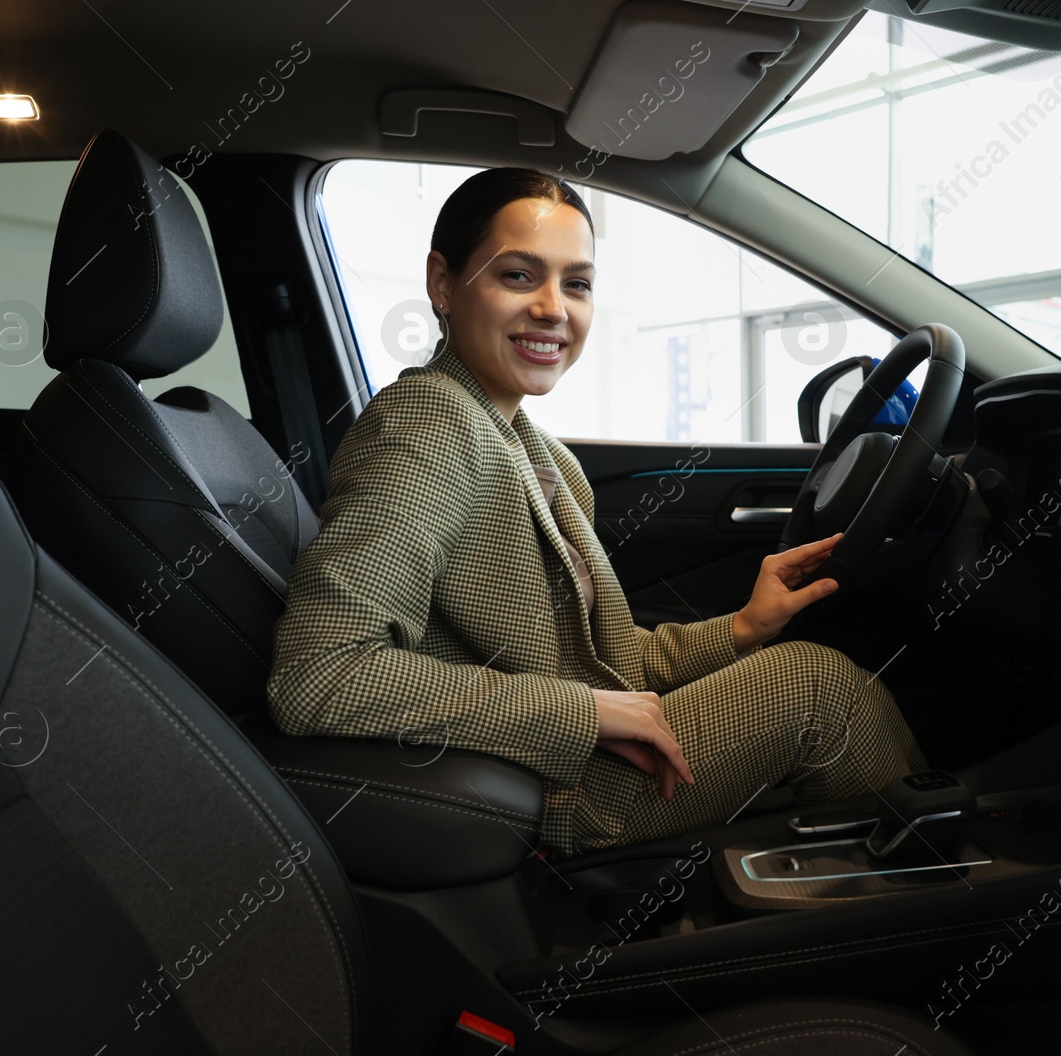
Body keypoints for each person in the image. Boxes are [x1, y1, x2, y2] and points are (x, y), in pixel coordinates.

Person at [266, 167, 925, 857]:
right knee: (819, 690)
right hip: (548, 788)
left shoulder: (533, 446)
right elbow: (320, 673)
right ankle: (925, 904)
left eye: (576, 283)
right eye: (518, 275)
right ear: (442, 284)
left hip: (564, 758)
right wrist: (581, 713)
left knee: (807, 670)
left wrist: (740, 627)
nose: (554, 308)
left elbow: (608, 659)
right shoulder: (428, 425)